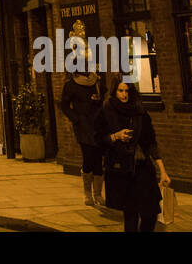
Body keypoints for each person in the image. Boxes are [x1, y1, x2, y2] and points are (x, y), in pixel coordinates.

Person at [95, 79, 171, 231]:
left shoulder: (139, 111)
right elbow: (98, 139)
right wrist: (116, 136)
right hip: (121, 168)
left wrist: (163, 171)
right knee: (131, 214)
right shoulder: (106, 111)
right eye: (120, 91)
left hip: (142, 166)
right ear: (114, 91)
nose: (124, 95)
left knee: (150, 212)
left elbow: (150, 142)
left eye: (127, 91)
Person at [59, 68, 106, 206]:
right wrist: (76, 119)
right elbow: (64, 105)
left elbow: (104, 98)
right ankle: (87, 193)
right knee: (88, 156)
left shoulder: (96, 81)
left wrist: (98, 99)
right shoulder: (71, 85)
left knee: (98, 158)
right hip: (83, 126)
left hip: (98, 124)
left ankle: (98, 194)